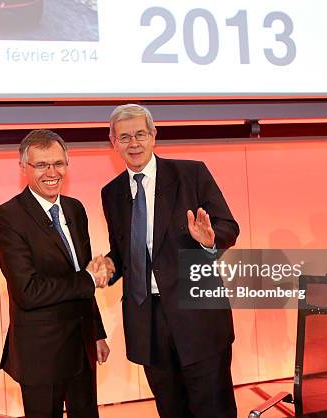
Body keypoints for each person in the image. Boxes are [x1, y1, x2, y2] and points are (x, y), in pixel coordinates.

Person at [100, 104, 240, 418]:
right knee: (171, 409)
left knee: (213, 410)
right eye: (124, 137)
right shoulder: (111, 193)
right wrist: (106, 268)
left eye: (139, 134)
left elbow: (228, 227)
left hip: (198, 319)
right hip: (147, 323)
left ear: (153, 136)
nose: (133, 143)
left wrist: (209, 240)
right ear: (113, 142)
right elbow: (123, 253)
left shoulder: (190, 173)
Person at [0, 129, 110, 418]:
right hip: (41, 355)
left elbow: (82, 274)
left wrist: (97, 333)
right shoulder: (9, 216)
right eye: (42, 165)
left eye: (58, 163)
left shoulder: (75, 209)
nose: (52, 172)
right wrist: (88, 280)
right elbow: (28, 291)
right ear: (24, 168)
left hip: (82, 347)